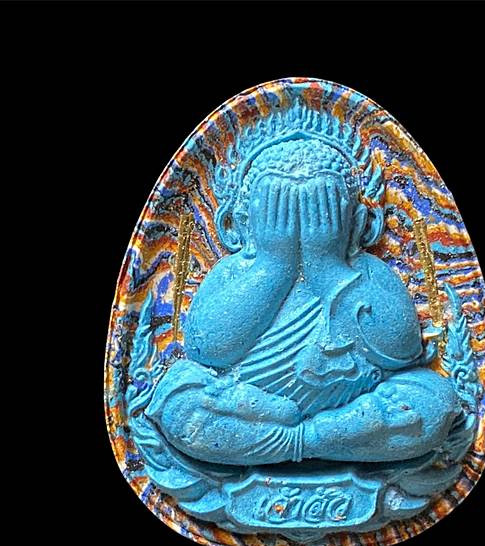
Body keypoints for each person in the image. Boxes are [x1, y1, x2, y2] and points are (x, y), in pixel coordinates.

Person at [146, 138, 461, 465]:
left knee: (434, 400)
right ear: (238, 225)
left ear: (360, 224)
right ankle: (315, 441)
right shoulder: (234, 272)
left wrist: (327, 266)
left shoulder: (367, 271)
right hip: (251, 411)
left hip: (353, 408)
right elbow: (207, 350)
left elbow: (401, 351)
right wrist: (274, 264)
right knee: (178, 401)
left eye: (322, 217)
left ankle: (310, 439)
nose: (302, 235)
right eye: (277, 217)